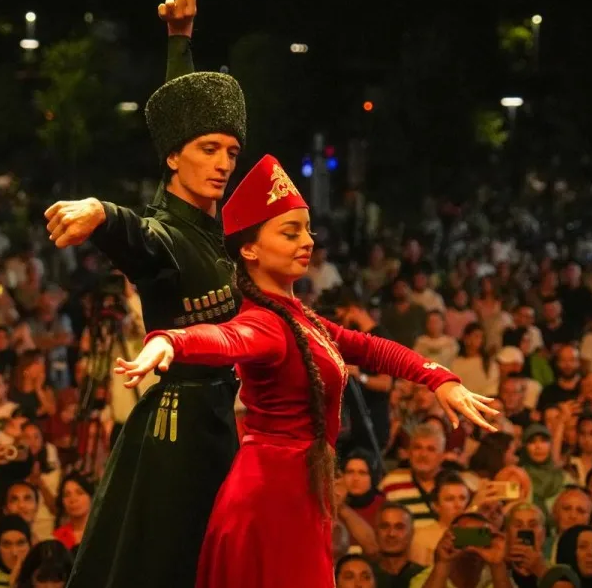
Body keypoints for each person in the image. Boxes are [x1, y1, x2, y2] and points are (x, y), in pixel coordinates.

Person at [115, 154, 499, 588]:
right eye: (290, 232)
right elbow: (226, 338)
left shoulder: (300, 318)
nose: (307, 241)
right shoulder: (265, 322)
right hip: (270, 500)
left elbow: (371, 347)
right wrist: (171, 341)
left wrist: (439, 378)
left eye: (307, 230)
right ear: (249, 249)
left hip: (296, 491)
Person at [44, 0, 250, 588]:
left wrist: (179, 41)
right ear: (173, 159)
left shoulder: (212, 225)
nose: (222, 162)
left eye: (230, 151)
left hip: (219, 423)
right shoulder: (165, 236)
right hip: (178, 439)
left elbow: (181, 119)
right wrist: (101, 212)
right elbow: (137, 235)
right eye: (208, 150)